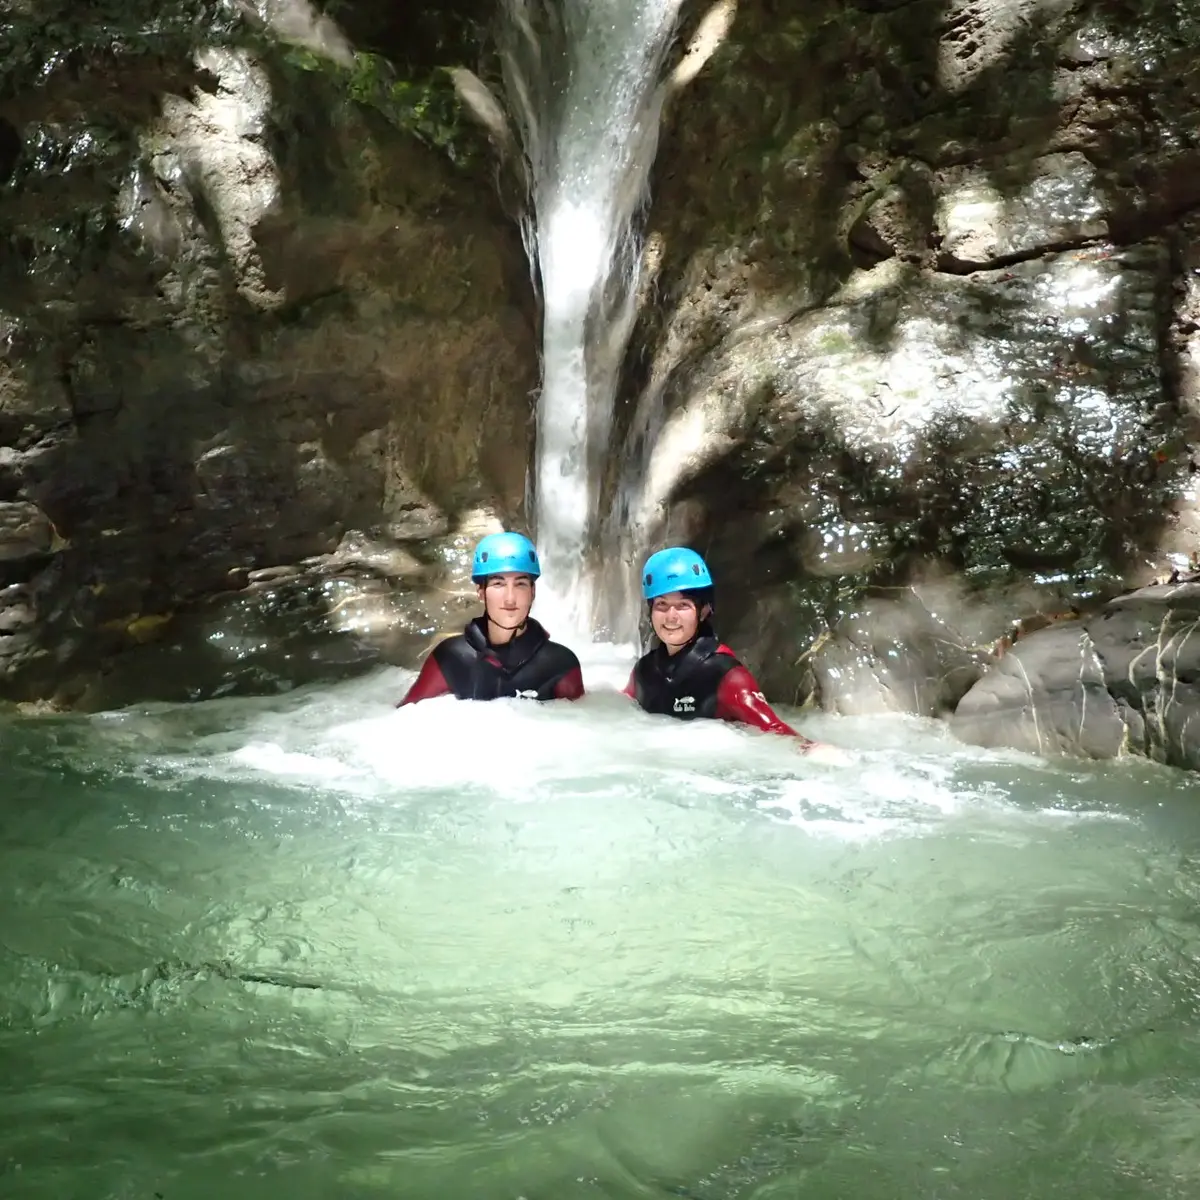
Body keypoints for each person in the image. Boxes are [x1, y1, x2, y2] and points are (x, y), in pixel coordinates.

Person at [623, 546, 842, 758]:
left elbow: (773, 729)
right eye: (661, 605)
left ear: (703, 611)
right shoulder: (645, 670)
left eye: (683, 606)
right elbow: (617, 715)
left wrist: (810, 749)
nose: (671, 617)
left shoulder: (725, 674)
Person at [396, 531, 584, 706]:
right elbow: (403, 719)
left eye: (520, 584)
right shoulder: (452, 657)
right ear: (481, 591)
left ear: (533, 592)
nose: (510, 599)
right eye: (498, 584)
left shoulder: (560, 664)